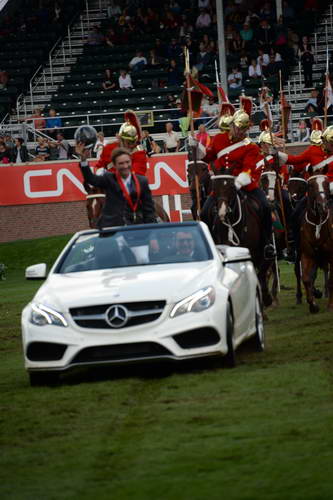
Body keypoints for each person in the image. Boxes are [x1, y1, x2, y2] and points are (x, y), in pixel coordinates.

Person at [194, 97, 275, 259]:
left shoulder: (250, 147)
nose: (239, 132)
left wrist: (236, 184)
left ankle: (267, 243)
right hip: (221, 186)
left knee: (265, 207)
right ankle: (209, 246)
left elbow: (248, 169)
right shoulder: (219, 139)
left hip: (243, 185)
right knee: (204, 212)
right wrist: (196, 147)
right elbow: (207, 156)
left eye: (242, 130)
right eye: (237, 128)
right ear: (231, 125)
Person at [77, 146, 156, 228]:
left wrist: (151, 235)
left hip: (136, 227)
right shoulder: (109, 179)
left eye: (127, 162)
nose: (125, 166)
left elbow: (149, 210)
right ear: (114, 165)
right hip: (115, 229)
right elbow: (91, 179)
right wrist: (83, 160)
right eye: (121, 163)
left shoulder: (142, 181)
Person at [95, 110, 148, 176]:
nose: (131, 145)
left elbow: (136, 175)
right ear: (120, 139)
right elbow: (99, 166)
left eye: (133, 142)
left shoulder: (139, 153)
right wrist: (99, 173)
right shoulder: (108, 148)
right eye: (128, 142)